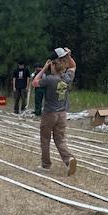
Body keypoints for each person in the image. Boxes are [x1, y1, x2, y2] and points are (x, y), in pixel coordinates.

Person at [32, 47, 77, 175]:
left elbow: (34, 82)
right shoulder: (67, 77)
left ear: (53, 65)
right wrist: (69, 56)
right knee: (60, 140)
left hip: (49, 113)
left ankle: (46, 165)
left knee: (45, 139)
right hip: (62, 113)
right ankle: (69, 160)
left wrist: (44, 69)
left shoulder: (49, 79)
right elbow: (73, 66)